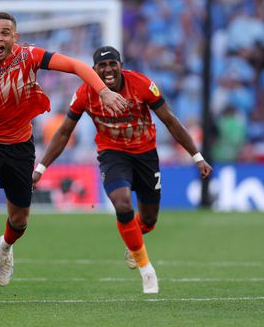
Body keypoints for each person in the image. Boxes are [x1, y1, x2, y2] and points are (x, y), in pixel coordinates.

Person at [0, 11, 127, 300]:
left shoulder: (30, 56)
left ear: (15, 37)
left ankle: (5, 245)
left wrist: (103, 91)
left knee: (19, 220)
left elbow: (77, 66)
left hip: (20, 146)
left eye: (5, 32)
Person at [32, 46, 213, 294]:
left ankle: (134, 242)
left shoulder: (142, 85)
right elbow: (64, 132)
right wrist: (41, 168)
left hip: (146, 155)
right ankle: (146, 270)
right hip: (112, 155)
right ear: (94, 70)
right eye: (102, 66)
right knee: (123, 203)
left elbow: (170, 120)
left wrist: (197, 156)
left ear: (121, 64)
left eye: (112, 64)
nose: (108, 70)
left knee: (148, 219)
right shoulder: (85, 93)